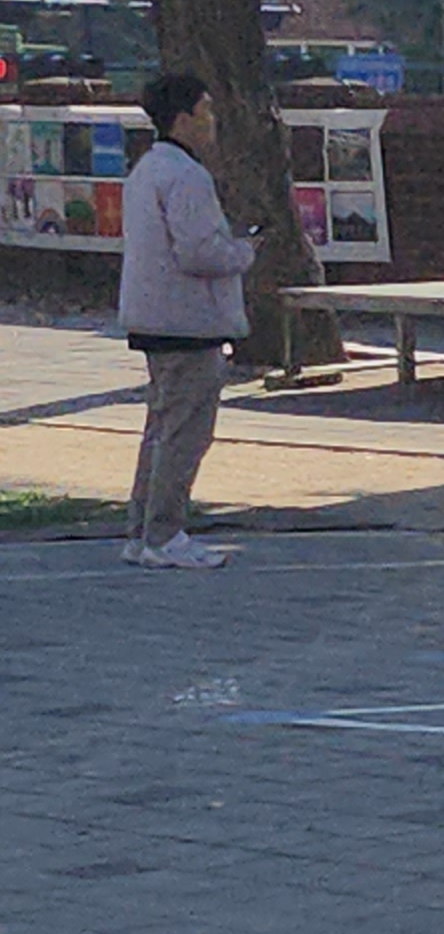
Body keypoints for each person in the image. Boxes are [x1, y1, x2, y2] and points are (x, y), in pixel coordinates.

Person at [114, 72, 254, 570]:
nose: (212, 120)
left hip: (154, 319)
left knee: (160, 428)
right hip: (188, 322)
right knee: (185, 434)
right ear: (183, 118)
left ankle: (141, 531)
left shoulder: (147, 169)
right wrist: (243, 252)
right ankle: (165, 533)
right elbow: (198, 251)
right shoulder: (188, 176)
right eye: (205, 110)